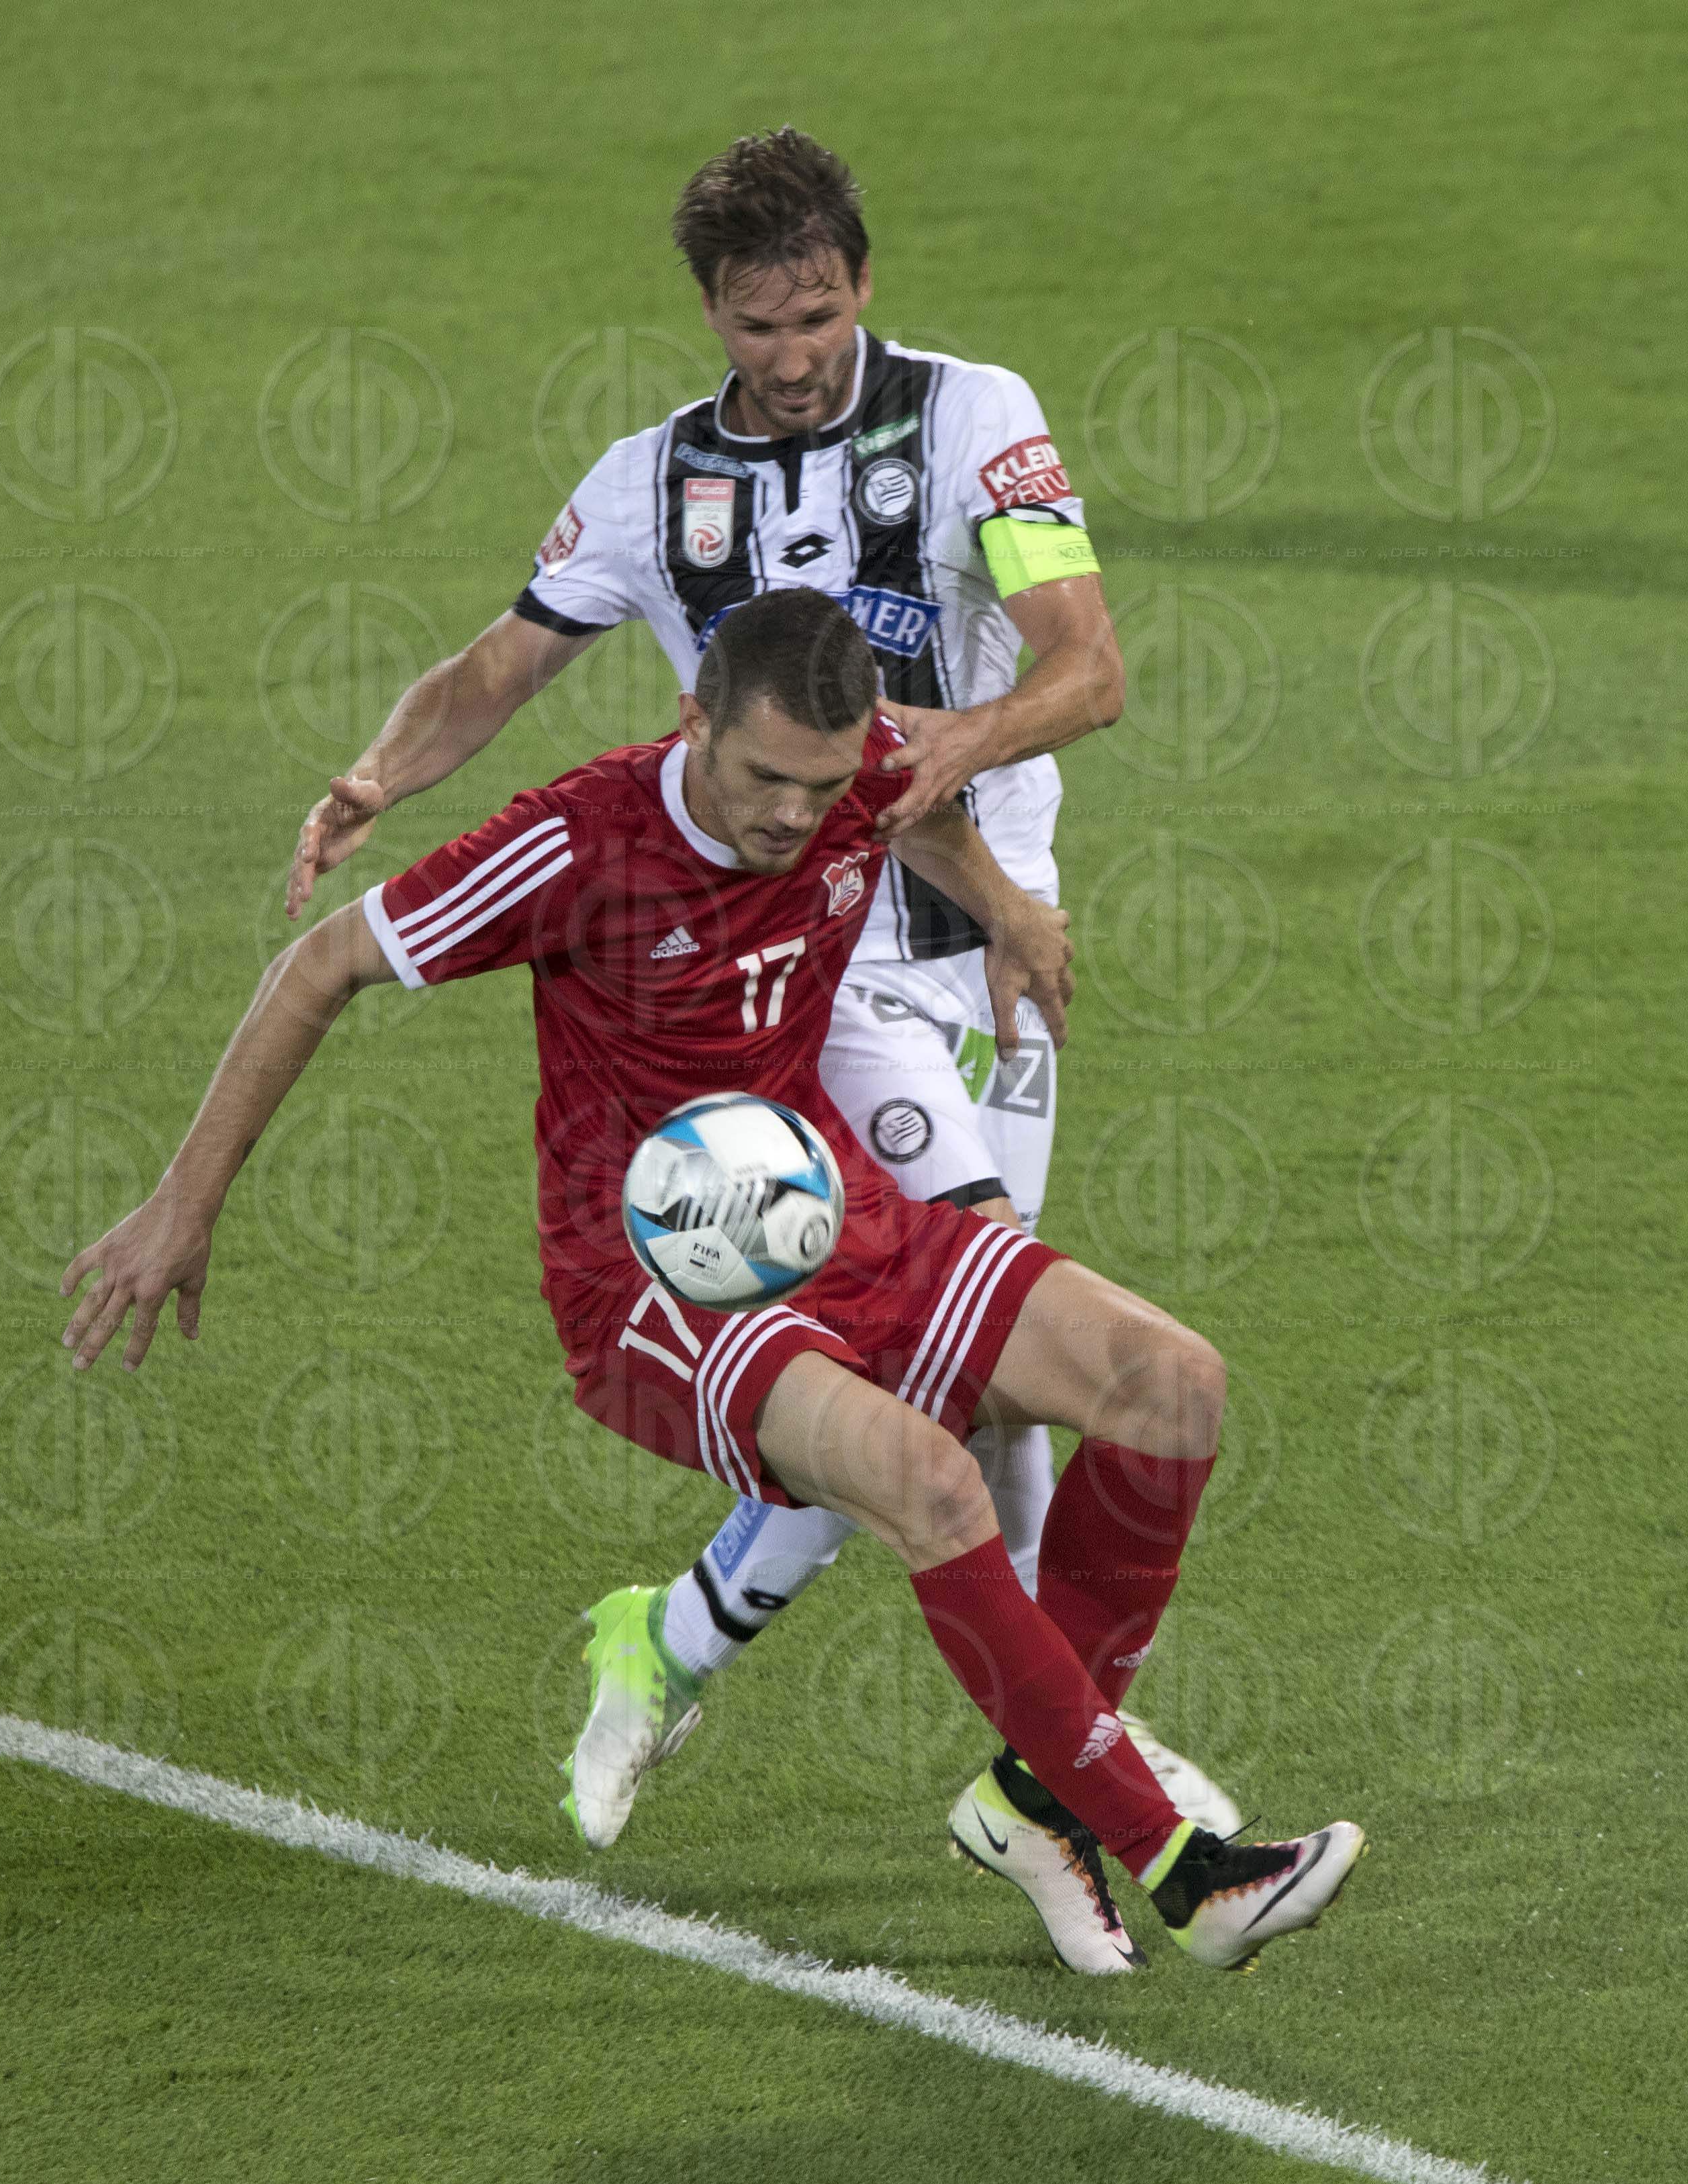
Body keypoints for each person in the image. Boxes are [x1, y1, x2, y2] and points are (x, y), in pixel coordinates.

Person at [70, 590, 1364, 1975]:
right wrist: (185, 1202)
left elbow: (916, 807)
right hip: (646, 1275)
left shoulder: (859, 767)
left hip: (822, 1204)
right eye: (762, 779)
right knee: (932, 1482)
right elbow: (321, 961)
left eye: (821, 784)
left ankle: (1036, 1801)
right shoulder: (576, 841)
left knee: (1171, 1381)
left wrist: (1003, 910)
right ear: (691, 718)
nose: (793, 814)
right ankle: (1186, 1871)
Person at [281, 130, 1241, 1932]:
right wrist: (374, 774)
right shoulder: (651, 484)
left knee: (961, 1373)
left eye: (815, 317)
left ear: (861, 285)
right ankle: (1070, 1779)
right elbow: (500, 663)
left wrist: (959, 775)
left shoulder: (972, 418)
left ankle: (680, 1641)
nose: (791, 357)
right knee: (967, 1342)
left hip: (982, 931)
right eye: (754, 325)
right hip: (813, 964)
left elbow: (1088, 667)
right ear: (708, 312)